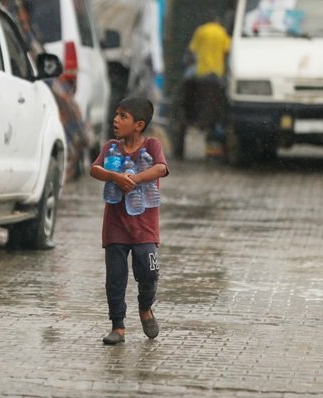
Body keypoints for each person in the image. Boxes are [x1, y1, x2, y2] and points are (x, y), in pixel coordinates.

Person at [90, 97, 169, 345]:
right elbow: (94, 169)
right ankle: (118, 326)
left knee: (148, 274)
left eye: (123, 116)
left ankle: (145, 308)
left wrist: (133, 179)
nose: (116, 120)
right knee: (115, 278)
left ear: (139, 124)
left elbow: (160, 169)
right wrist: (115, 177)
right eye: (116, 114)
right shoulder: (111, 147)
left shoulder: (152, 145)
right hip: (115, 227)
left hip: (144, 227)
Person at [174, 15, 231, 159]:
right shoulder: (223, 33)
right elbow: (227, 53)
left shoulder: (201, 30)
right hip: (216, 78)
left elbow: (192, 51)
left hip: (199, 75)